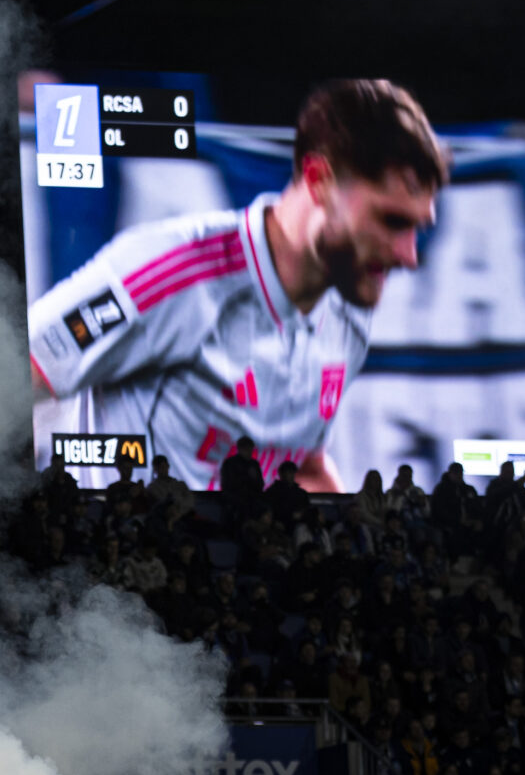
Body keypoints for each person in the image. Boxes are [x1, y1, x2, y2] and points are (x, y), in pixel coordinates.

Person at [27, 79, 446, 492]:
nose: (409, 255)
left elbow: (301, 466)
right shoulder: (172, 271)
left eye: (417, 228)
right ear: (319, 180)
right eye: (392, 221)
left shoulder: (349, 310)